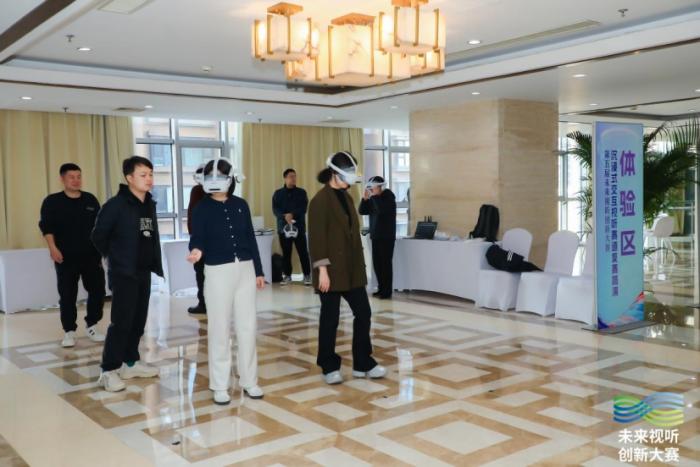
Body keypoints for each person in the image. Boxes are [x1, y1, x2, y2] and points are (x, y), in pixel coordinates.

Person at [187, 158, 265, 404]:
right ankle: (220, 385)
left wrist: (259, 271)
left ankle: (249, 380)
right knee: (219, 328)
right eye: (211, 176)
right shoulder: (202, 208)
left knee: (248, 327)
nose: (216, 181)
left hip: (245, 269)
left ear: (230, 179)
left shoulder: (241, 204)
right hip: (217, 271)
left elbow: (250, 238)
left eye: (220, 176)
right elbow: (197, 237)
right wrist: (196, 251)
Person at [308, 151, 386, 385]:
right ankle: (329, 366)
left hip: (352, 270)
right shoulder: (320, 201)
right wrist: (322, 271)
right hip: (330, 271)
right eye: (347, 174)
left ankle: (363, 362)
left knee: (364, 313)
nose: (350, 179)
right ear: (334, 173)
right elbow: (317, 239)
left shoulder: (348, 197)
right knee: (330, 319)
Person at [92, 156, 163, 392]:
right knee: (121, 322)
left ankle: (130, 363)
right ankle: (108, 370)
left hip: (143, 272)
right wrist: (115, 258)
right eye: (143, 175)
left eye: (151, 174)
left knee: (138, 321)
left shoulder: (149, 203)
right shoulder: (115, 205)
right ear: (129, 178)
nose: (149, 179)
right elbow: (98, 236)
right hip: (123, 273)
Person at [39, 163, 106, 348]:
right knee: (68, 294)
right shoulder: (52, 201)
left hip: (91, 256)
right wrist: (52, 248)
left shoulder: (90, 200)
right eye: (71, 177)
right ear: (62, 179)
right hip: (65, 257)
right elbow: (46, 226)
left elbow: (100, 226)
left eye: (78, 176)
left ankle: (92, 325)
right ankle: (69, 331)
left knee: (98, 291)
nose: (76, 180)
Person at [359, 176, 397, 299]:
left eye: (373, 187)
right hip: (375, 236)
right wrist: (365, 199)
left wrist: (374, 196)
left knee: (385, 264)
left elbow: (381, 209)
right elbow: (362, 211)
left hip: (386, 237)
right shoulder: (374, 199)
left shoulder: (388, 197)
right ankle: (381, 289)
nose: (371, 189)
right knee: (377, 264)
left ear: (380, 186)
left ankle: (387, 291)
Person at [272, 168, 311, 286]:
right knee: (286, 253)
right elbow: (275, 210)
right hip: (283, 228)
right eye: (290, 176)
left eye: (295, 176)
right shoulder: (278, 193)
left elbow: (303, 208)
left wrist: (292, 214)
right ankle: (287, 276)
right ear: (285, 178)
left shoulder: (301, 192)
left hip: (299, 227)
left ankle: (307, 275)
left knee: (303, 252)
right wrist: (285, 216)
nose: (293, 178)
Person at [187, 164, 207, 314]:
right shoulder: (218, 192)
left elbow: (193, 215)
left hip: (200, 240)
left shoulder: (197, 190)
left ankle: (203, 303)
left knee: (201, 274)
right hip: (211, 240)